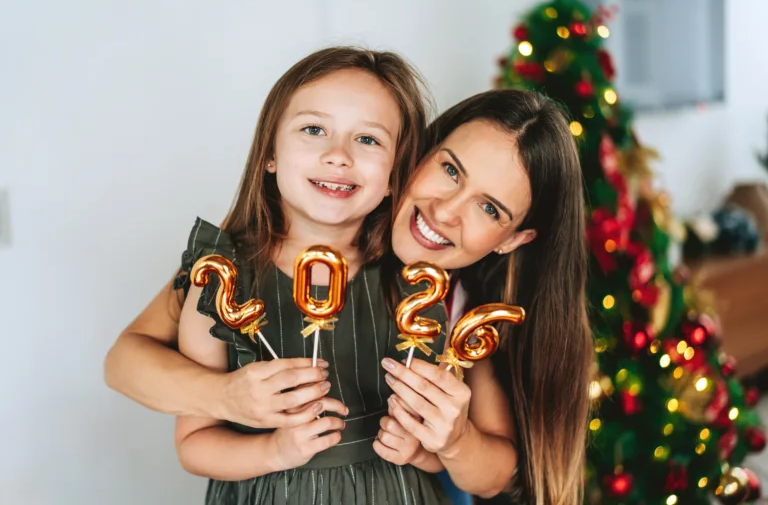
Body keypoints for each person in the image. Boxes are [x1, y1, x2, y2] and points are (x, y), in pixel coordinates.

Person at [105, 84, 591, 504]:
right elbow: (125, 363)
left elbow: (496, 470)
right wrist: (228, 399)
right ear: (416, 154)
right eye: (450, 170)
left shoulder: (453, 307)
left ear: (511, 240)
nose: (446, 212)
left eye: (489, 208)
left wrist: (452, 443)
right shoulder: (239, 271)